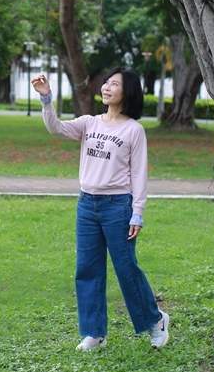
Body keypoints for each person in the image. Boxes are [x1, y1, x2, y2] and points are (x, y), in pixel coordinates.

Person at [31, 67, 170, 351]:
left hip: (118, 206)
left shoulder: (134, 130)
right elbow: (55, 127)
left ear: (127, 92)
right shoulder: (89, 123)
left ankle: (155, 321)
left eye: (114, 84)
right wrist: (47, 100)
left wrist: (137, 212)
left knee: (126, 268)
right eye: (106, 82)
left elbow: (139, 175)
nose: (106, 87)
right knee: (87, 269)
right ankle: (94, 332)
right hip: (87, 204)